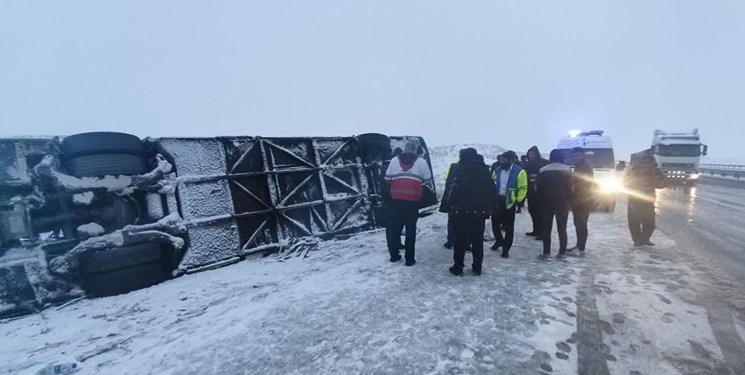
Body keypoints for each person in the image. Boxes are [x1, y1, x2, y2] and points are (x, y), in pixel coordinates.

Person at [446, 148, 494, 276]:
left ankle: (458, 266)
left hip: (462, 212)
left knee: (460, 240)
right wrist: (489, 209)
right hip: (480, 212)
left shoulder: (461, 170)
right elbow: (491, 191)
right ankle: (477, 267)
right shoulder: (485, 171)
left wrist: (451, 207)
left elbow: (454, 191)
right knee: (477, 240)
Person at [384, 140, 432, 266]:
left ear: (405, 148)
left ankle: (394, 256)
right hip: (413, 202)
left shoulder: (394, 160)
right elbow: (427, 180)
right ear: (415, 149)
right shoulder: (422, 162)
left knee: (394, 228)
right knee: (410, 230)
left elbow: (387, 179)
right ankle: (409, 259)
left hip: (396, 201)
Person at [490, 150, 528, 258]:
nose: (502, 161)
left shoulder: (520, 172)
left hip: (509, 202)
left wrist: (517, 200)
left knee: (508, 227)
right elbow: (492, 184)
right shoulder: (497, 170)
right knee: (495, 223)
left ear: (511, 160)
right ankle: (499, 241)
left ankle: (506, 248)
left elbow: (523, 188)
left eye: (504, 159)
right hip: (497, 201)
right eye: (501, 159)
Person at [624, 151, 665, 247]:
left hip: (637, 199)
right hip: (647, 199)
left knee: (635, 222)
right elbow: (662, 184)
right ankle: (643, 239)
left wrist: (637, 186)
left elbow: (625, 183)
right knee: (649, 222)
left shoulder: (634, 170)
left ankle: (638, 241)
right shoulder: (654, 170)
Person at [537, 149, 573, 260]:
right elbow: (570, 188)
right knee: (562, 228)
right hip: (562, 203)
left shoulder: (543, 170)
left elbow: (538, 188)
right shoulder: (567, 169)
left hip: (546, 203)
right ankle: (562, 253)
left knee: (546, 228)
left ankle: (546, 253)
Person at [568, 147, 594, 256]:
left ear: (583, 155)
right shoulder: (579, 166)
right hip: (579, 198)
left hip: (583, 199)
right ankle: (578, 246)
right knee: (578, 223)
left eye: (577, 155)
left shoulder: (585, 166)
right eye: (573, 156)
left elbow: (582, 184)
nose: (575, 158)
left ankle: (581, 249)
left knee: (581, 224)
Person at [524, 146, 549, 238]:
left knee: (541, 213)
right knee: (533, 211)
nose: (531, 156)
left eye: (532, 154)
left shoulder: (544, 163)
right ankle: (536, 230)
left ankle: (543, 233)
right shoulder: (528, 165)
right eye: (529, 154)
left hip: (541, 192)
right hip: (530, 192)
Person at [442, 152, 463, 249]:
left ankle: (450, 240)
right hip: (463, 200)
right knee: (462, 223)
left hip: (453, 198)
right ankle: (463, 243)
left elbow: (448, 182)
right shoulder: (470, 168)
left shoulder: (454, 166)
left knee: (452, 221)